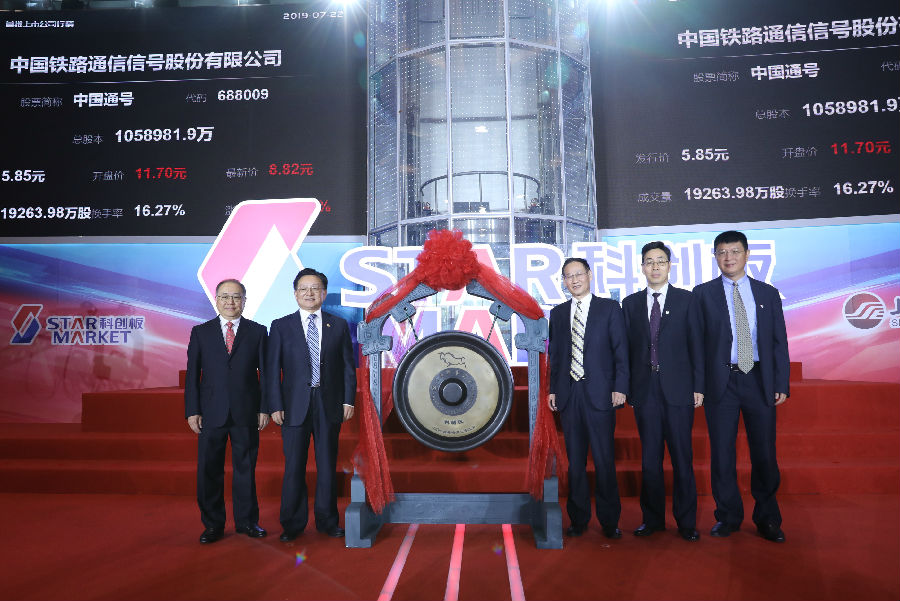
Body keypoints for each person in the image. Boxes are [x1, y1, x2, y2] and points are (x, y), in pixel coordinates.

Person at [691, 230, 789, 543]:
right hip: (720, 382)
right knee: (722, 453)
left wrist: (781, 382)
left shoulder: (767, 293)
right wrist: (698, 385)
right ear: (715, 257)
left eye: (734, 251)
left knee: (764, 452)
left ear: (747, 254)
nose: (728, 258)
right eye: (722, 252)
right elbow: (696, 344)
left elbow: (779, 341)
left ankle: (768, 518)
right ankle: (728, 516)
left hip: (759, 380)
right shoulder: (702, 294)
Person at [622, 242, 703, 542]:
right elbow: (626, 350)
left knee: (682, 458)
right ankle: (652, 519)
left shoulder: (687, 300)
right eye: (649, 261)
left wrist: (699, 386)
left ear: (669, 265)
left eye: (660, 261)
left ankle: (687, 522)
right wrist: (627, 388)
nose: (655, 266)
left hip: (679, 390)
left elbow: (697, 345)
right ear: (642, 267)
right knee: (650, 461)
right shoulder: (630, 304)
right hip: (645, 391)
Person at [267, 268, 356, 541]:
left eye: (315, 288)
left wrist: (348, 399)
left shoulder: (338, 325)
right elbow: (272, 370)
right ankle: (292, 524)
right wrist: (275, 404)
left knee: (327, 465)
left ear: (324, 293)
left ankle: (328, 521)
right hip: (294, 405)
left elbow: (347, 367)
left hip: (329, 403)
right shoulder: (280, 326)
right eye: (304, 289)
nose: (309, 293)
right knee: (294, 466)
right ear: (295, 294)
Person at [548, 257, 629, 539]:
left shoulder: (609, 308)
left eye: (578, 274)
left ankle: (609, 521)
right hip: (570, 395)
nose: (574, 280)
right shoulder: (558, 313)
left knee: (604, 460)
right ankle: (578, 519)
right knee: (575, 463)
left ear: (590, 275)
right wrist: (553, 389)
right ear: (564, 281)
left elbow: (621, 351)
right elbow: (556, 356)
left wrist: (620, 387)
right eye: (568, 276)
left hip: (601, 394)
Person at [184, 278, 269, 544]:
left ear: (244, 300)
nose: (230, 302)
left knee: (246, 469)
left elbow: (266, 374)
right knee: (209, 469)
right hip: (211, 412)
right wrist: (192, 410)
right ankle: (213, 524)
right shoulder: (201, 332)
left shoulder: (258, 331)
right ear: (216, 300)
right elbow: (192, 375)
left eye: (236, 297)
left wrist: (264, 408)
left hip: (246, 411)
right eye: (224, 296)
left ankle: (247, 521)